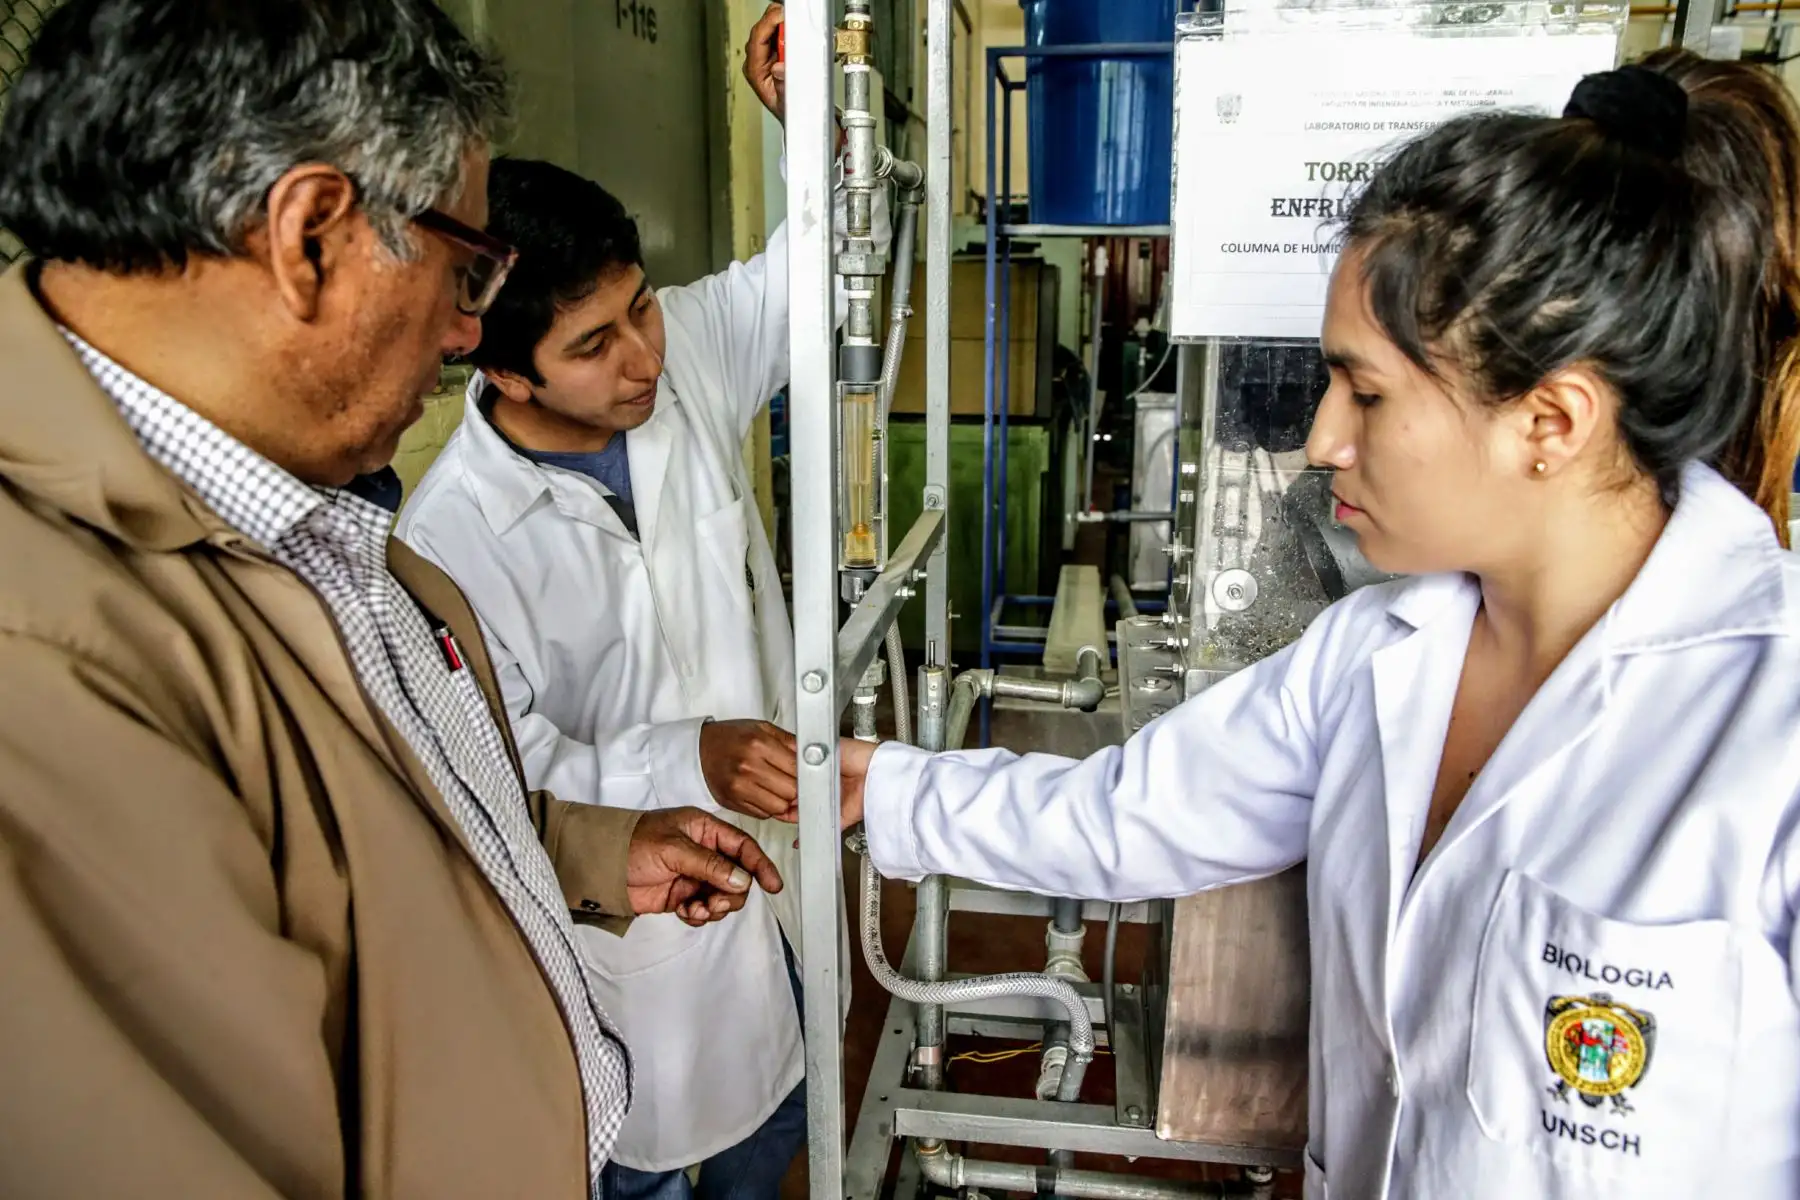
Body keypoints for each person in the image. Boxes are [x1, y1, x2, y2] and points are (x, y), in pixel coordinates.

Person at [840, 54, 1800, 1200]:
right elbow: (1132, 814)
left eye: (1369, 393)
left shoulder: (1770, 730)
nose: (1321, 441)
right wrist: (880, 788)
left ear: (1551, 419)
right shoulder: (1382, 654)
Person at [0, 2, 783, 1196]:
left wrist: (583, 846)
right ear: (312, 234)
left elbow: (369, 843)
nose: (464, 331)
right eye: (467, 270)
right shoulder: (48, 658)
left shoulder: (318, 527)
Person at [394, 7, 868, 1198]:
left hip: (773, 892)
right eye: (595, 344)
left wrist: (808, 130)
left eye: (642, 308)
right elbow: (499, 771)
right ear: (502, 369)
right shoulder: (449, 540)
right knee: (645, 1166)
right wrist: (685, 756)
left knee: (780, 1133)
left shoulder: (683, 362)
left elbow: (813, 275)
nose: (644, 359)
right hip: (636, 962)